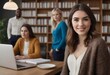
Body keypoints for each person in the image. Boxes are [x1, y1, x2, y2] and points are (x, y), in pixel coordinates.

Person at [61, 3, 110, 75]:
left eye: (85, 19)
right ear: (71, 23)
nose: (80, 24)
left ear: (91, 22)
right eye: (76, 20)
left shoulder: (99, 44)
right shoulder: (69, 43)